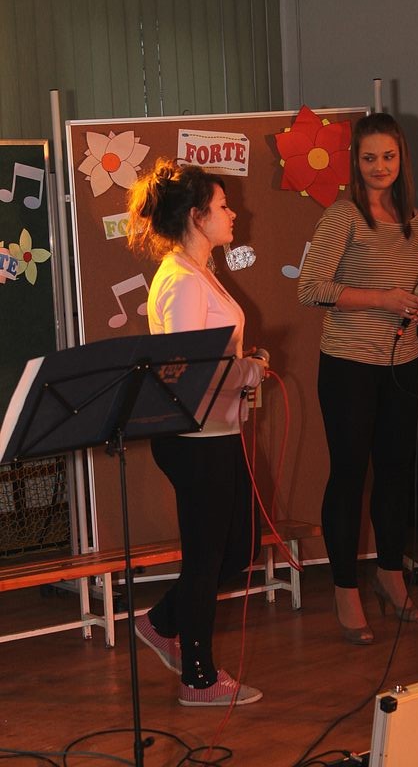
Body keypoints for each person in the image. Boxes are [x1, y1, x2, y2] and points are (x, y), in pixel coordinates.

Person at [126, 159, 267, 705]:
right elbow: (186, 370)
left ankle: (162, 621)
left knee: (239, 544)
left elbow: (211, 357)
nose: (233, 213)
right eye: (223, 206)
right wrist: (249, 370)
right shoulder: (181, 280)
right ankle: (199, 678)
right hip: (194, 439)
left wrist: (245, 366)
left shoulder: (198, 271)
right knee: (208, 556)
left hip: (217, 432)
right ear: (195, 216)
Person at [298, 112, 418, 644]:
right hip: (349, 364)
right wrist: (382, 299)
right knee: (351, 473)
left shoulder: (416, 220)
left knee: (396, 471)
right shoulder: (343, 216)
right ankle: (344, 587)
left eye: (389, 157)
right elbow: (311, 288)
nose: (380, 167)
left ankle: (390, 574)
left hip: (403, 360)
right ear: (355, 162)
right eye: (370, 157)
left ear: (402, 160)